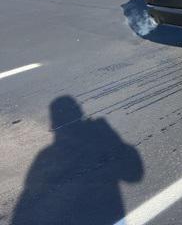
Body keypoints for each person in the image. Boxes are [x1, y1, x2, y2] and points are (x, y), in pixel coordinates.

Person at [12, 96, 143, 225]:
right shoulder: (98, 140)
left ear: (53, 124)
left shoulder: (45, 156)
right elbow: (133, 174)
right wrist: (111, 137)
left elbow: (26, 203)